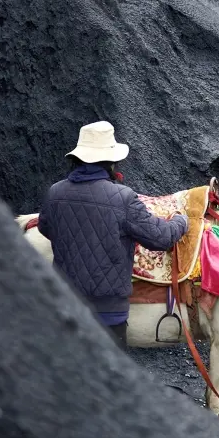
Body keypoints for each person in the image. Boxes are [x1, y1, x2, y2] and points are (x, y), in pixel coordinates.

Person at [38, 121, 188, 348]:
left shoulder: (55, 192)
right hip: (107, 313)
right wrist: (181, 220)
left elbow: (45, 228)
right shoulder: (123, 197)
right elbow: (161, 238)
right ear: (110, 161)